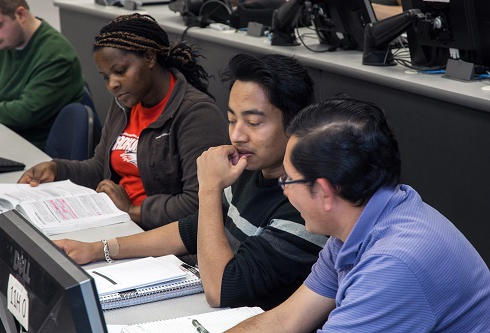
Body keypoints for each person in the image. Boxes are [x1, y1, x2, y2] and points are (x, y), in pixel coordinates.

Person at [54, 53, 328, 310]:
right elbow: (190, 230)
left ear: (295, 124)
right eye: (232, 120)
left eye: (254, 123)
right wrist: (98, 249)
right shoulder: (250, 168)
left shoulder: (304, 206)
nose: (237, 136)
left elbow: (221, 290)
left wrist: (209, 187)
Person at [226, 96, 490, 332]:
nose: (284, 190)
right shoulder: (358, 222)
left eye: (288, 180)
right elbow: (285, 320)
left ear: (325, 192)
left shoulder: (393, 264)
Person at [18, 13, 229, 230]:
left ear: (149, 57)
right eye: (106, 77)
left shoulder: (196, 113)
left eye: (120, 71)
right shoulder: (126, 102)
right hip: (119, 220)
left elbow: (201, 203)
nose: (112, 85)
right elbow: (100, 167)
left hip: (161, 235)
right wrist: (56, 169)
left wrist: (133, 210)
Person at [0, 0, 84, 150]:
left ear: (20, 15)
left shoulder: (57, 56)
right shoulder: (2, 42)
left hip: (35, 149)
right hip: (3, 136)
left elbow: (25, 112)